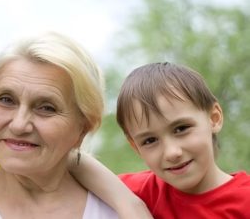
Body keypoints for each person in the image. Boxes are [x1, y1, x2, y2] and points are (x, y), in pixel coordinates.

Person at [0, 32, 135, 218]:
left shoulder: (115, 213)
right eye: (6, 100)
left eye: (46, 108)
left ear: (83, 127)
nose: (19, 125)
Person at [84, 62, 250, 218]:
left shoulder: (245, 201)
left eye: (181, 129)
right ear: (135, 146)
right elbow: (73, 163)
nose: (172, 152)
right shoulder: (142, 191)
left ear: (214, 118)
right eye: (149, 140)